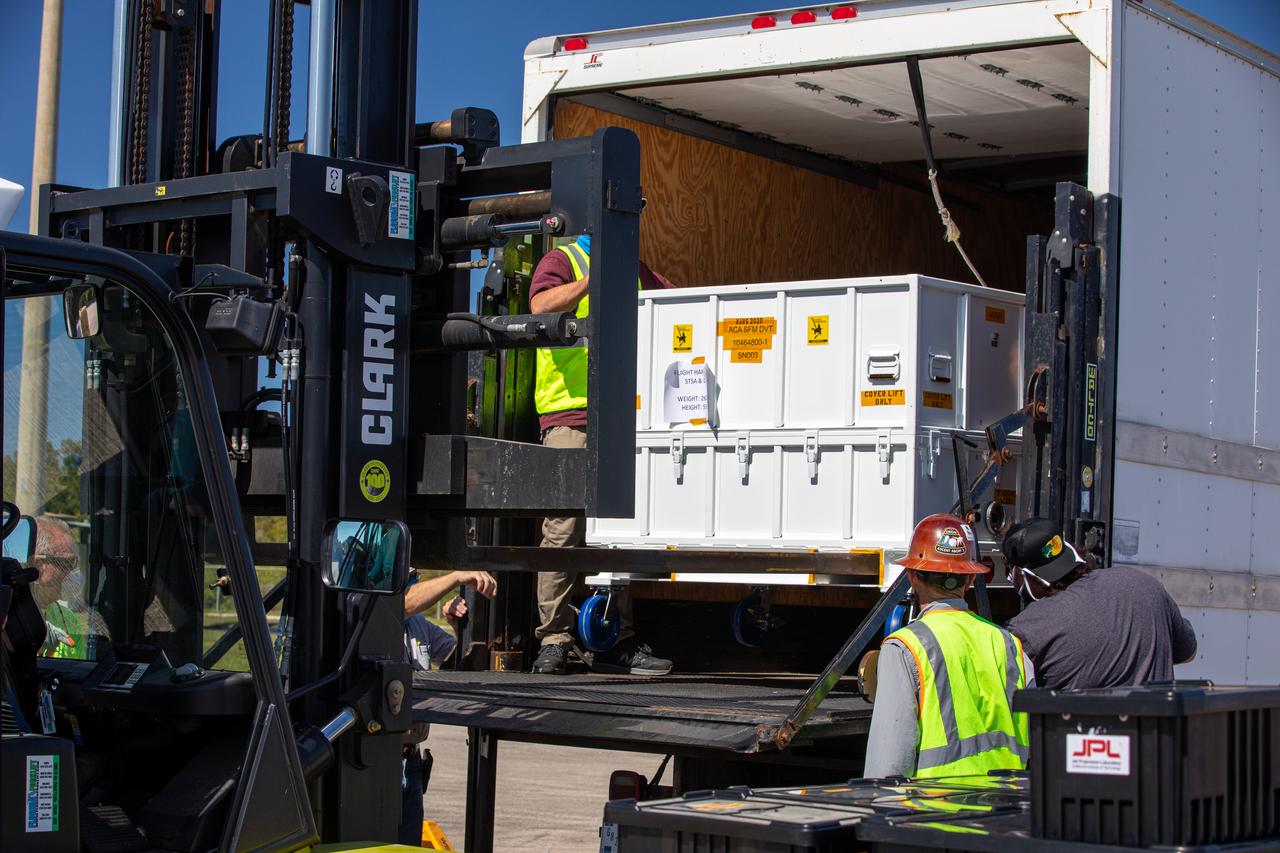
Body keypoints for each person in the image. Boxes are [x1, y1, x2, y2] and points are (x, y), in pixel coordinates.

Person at [528, 233, 675, 677]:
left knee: (620, 531)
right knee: (565, 529)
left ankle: (616, 639)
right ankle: (554, 640)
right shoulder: (562, 260)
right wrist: (594, 280)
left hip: (624, 417)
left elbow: (678, 304)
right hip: (569, 416)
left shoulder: (636, 266)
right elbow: (540, 308)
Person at [864, 514, 1034, 779]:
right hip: (1003, 812)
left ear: (912, 577)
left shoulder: (906, 647)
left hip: (936, 811)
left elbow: (888, 766)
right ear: (968, 581)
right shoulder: (1009, 644)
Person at [1002, 518, 1197, 691]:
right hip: (1159, 730)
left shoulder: (1028, 628)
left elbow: (1008, 692)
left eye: (1010, 572)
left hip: (1082, 732)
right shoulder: (1143, 583)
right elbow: (1189, 653)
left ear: (1024, 575)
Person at [398, 569, 496, 846]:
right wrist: (456, 578)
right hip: (377, 759)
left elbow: (457, 664)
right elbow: (404, 602)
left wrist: (458, 626)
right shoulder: (374, 612)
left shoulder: (419, 626)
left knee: (407, 845)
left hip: (410, 758)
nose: (413, 582)